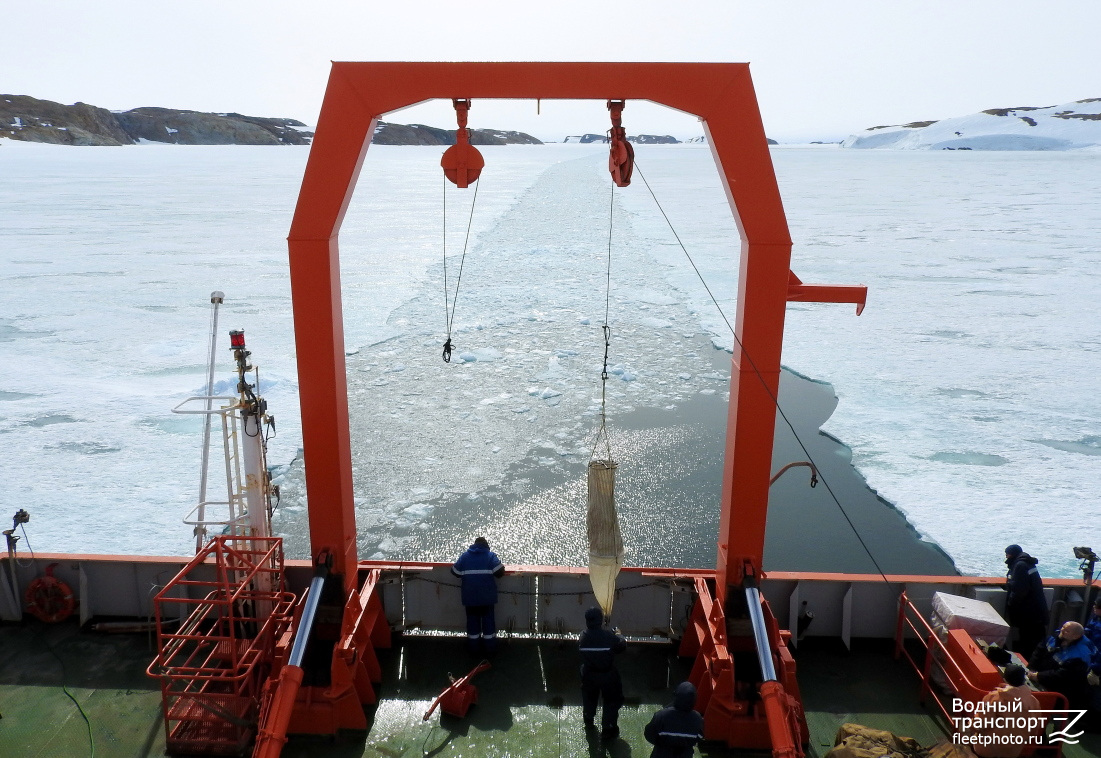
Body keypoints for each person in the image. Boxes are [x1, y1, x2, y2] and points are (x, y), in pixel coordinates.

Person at [968, 664, 1040, 758]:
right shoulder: (1033, 702)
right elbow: (1034, 730)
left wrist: (970, 726)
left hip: (987, 749)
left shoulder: (995, 697)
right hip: (1012, 752)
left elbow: (981, 722)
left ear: (1005, 679)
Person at [579, 606, 627, 742]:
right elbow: (622, 646)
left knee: (589, 697)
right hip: (607, 674)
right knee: (612, 701)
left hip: (589, 675)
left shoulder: (583, 637)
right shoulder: (609, 637)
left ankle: (588, 718)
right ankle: (608, 728)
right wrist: (618, 634)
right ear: (600, 620)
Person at [451, 537, 505, 654]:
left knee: (472, 624)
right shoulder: (490, 556)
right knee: (488, 624)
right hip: (487, 598)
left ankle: (473, 650)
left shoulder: (465, 556)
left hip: (470, 598)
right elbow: (500, 572)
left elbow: (454, 571)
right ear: (486, 545)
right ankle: (490, 650)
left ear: (474, 545)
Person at [1027, 621, 1094, 709]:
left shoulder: (1080, 655)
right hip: (1041, 677)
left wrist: (1039, 676)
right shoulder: (1056, 636)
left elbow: (1064, 675)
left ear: (1075, 636)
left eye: (1067, 631)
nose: (1062, 630)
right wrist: (1031, 668)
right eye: (1063, 627)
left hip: (1061, 691)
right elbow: (1039, 651)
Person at [1004, 544, 1048, 655]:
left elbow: (1020, 590)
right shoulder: (1028, 563)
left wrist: (1011, 604)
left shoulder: (1020, 565)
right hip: (1036, 610)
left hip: (1028, 612)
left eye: (1007, 554)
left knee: (1028, 639)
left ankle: (1028, 661)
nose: (1006, 557)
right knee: (1035, 639)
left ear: (1011, 554)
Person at [644, 681, 705, 758]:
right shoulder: (697, 718)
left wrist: (661, 744)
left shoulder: (661, 715)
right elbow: (699, 737)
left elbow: (649, 734)